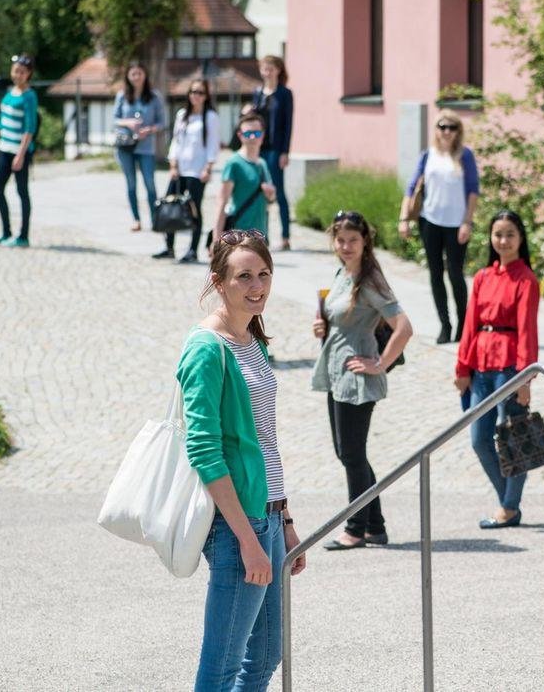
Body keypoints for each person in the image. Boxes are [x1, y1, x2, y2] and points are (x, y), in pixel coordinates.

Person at [177, 228, 306, 690]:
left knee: (267, 652)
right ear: (218, 281)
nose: (257, 286)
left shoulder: (254, 340)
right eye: (244, 276)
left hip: (267, 516)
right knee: (223, 663)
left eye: (264, 274)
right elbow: (205, 451)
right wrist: (247, 540)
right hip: (237, 525)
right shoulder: (207, 348)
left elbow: (266, 440)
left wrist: (285, 518)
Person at [311, 210, 413, 550]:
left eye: (353, 240)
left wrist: (380, 363)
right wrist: (323, 328)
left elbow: (404, 327)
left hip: (357, 375)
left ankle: (355, 528)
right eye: (341, 240)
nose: (346, 246)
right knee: (347, 452)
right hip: (337, 370)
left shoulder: (370, 281)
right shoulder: (342, 273)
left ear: (365, 241)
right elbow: (340, 316)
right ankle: (375, 525)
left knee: (352, 453)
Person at [454, 210, 540, 530]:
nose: (503, 241)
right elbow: (469, 325)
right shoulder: (482, 277)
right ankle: (509, 502)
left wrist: (525, 377)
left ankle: (508, 507)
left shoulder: (526, 280)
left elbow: (527, 330)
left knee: (514, 437)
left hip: (510, 366)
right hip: (481, 365)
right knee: (479, 438)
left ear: (520, 239)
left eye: (510, 235)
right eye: (498, 234)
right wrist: (462, 367)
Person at [399, 110, 480, 344]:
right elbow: (412, 186)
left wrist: (467, 221)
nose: (447, 132)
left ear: (458, 132)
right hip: (430, 220)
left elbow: (473, 190)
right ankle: (445, 325)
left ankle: (463, 325)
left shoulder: (465, 156)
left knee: (455, 273)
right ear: (436, 129)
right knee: (435, 274)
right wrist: (404, 218)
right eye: (442, 126)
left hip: (457, 224)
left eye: (452, 127)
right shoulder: (428, 155)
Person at [154, 79, 220, 264]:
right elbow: (176, 142)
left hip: (197, 171)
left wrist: (208, 167)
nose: (195, 96)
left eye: (199, 92)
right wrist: (173, 165)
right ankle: (169, 246)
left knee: (193, 210)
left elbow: (213, 145)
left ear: (206, 96)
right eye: (192, 92)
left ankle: (192, 250)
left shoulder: (210, 117)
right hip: (179, 169)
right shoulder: (183, 115)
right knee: (170, 206)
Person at [0, 53, 38, 248]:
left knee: (22, 192)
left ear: (28, 74)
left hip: (20, 151)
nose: (18, 75)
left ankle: (23, 236)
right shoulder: (9, 93)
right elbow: (1, 122)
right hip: (5, 148)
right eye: (15, 71)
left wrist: (21, 155)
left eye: (22, 72)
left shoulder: (29, 96)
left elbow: (30, 127)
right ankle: (6, 231)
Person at [113, 62, 166, 232]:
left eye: (139, 73)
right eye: (133, 74)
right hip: (126, 146)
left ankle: (154, 218)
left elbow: (162, 122)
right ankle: (136, 219)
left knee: (150, 184)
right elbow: (115, 119)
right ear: (128, 76)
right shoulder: (122, 96)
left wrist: (149, 129)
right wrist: (128, 123)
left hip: (146, 147)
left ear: (145, 75)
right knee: (131, 184)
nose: (136, 77)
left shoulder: (154, 96)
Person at [211, 113, 276, 246]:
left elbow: (270, 200)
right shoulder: (234, 163)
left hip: (260, 236)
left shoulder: (262, 164)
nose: (252, 137)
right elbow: (221, 201)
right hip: (238, 237)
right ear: (240, 135)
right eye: (248, 133)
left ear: (262, 136)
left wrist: (271, 194)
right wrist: (216, 239)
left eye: (257, 133)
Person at [251, 55, 294, 250]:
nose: (267, 72)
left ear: (278, 70)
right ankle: (262, 235)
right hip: (259, 148)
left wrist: (285, 151)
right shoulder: (258, 93)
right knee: (261, 192)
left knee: (278, 191)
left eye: (270, 68)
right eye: (264, 68)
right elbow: (254, 119)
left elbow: (288, 124)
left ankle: (285, 236)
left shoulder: (285, 94)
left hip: (276, 149)